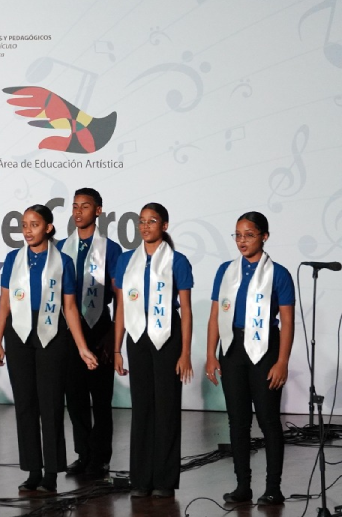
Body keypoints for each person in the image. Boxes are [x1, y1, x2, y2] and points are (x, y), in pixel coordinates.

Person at [0, 203, 98, 493]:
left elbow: (70, 308)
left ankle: (51, 471)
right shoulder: (13, 259)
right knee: (25, 404)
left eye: (34, 225)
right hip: (18, 333)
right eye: (24, 225)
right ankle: (33, 470)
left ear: (48, 228)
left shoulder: (63, 261)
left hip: (52, 333)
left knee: (50, 404)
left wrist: (82, 348)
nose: (27, 230)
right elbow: (5, 303)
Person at [207, 211, 294, 505]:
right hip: (232, 347)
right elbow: (215, 316)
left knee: (268, 420)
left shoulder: (279, 273)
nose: (242, 241)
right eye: (238, 235)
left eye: (249, 235)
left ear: (264, 237)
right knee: (237, 421)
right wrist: (211, 355)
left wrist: (282, 361)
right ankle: (242, 486)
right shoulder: (225, 270)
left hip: (265, 348)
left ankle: (273, 488)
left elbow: (287, 321)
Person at [112, 202, 194, 499]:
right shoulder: (126, 260)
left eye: (152, 221)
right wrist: (117, 349)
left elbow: (186, 310)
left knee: (167, 408)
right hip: (137, 336)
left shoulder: (177, 261)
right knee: (142, 407)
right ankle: (141, 479)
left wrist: (185, 353)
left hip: (168, 336)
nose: (145, 226)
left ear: (165, 225)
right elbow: (121, 307)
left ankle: (164, 480)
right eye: (142, 221)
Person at [56, 188, 122, 479]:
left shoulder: (111, 249)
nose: (78, 212)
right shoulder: (61, 248)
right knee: (75, 396)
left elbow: (119, 296)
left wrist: (113, 334)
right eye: (75, 206)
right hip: (69, 328)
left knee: (101, 398)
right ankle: (83, 453)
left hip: (100, 327)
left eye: (85, 206)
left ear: (98, 211)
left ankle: (101, 457)